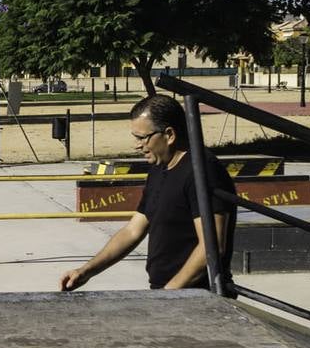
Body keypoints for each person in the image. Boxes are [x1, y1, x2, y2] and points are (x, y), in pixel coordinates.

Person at [60, 93, 235, 292]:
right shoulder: (159, 169)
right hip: (169, 293)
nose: (137, 145)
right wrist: (85, 271)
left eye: (142, 138)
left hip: (199, 296)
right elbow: (132, 231)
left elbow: (211, 247)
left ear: (169, 135)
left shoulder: (202, 172)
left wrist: (168, 295)